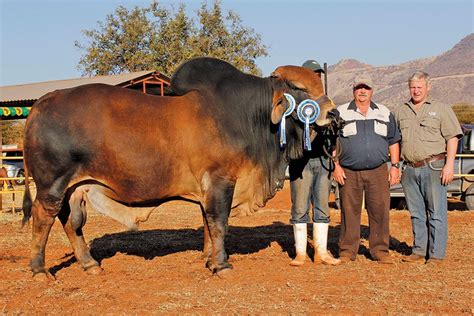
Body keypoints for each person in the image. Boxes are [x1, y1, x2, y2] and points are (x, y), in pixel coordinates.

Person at [395, 71, 462, 265]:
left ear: (428, 87)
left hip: (433, 166)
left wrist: (449, 165)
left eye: (419, 87)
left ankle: (436, 254)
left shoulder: (441, 109)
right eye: (412, 87)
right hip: (409, 168)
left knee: (436, 213)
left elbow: (452, 138)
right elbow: (396, 141)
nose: (415, 91)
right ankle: (418, 251)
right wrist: (397, 166)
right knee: (415, 212)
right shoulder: (401, 111)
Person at [333, 75, 401, 264]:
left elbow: (393, 140)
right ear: (353, 90)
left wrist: (394, 166)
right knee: (349, 210)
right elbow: (332, 142)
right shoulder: (341, 112)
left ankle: (380, 250)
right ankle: (347, 251)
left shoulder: (384, 112)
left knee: (380, 209)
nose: (362, 91)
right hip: (348, 170)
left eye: (366, 88)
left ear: (372, 90)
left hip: (378, 170)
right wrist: (336, 166)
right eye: (359, 88)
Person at [289, 59, 340, 266]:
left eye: (318, 74)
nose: (316, 77)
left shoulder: (328, 102)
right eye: (312, 74)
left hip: (323, 159)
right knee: (300, 207)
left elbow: (336, 136)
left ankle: (321, 252)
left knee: (322, 207)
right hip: (301, 162)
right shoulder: (293, 102)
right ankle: (300, 253)